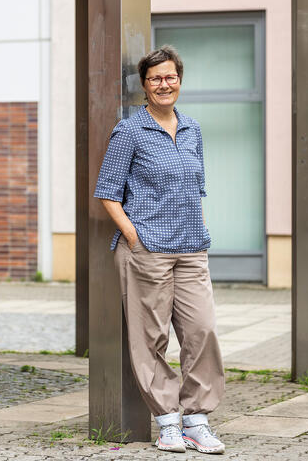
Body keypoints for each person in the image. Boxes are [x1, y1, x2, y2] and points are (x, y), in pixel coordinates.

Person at [93, 45, 225, 454]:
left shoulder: (192, 129)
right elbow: (107, 194)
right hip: (147, 250)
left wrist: (198, 228)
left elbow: (195, 188)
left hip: (191, 248)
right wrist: (135, 239)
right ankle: (168, 420)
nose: (163, 84)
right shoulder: (130, 131)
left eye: (170, 77)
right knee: (149, 338)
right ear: (145, 86)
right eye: (155, 79)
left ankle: (197, 419)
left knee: (201, 331)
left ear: (179, 81)